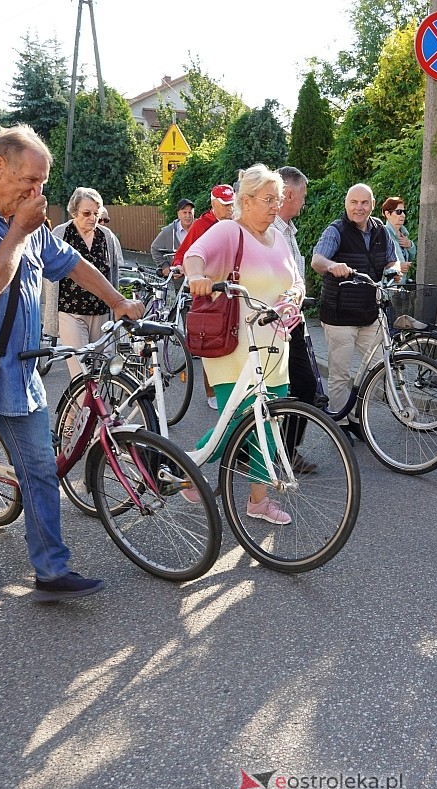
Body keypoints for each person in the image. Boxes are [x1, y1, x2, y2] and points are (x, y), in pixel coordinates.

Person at [0, 124, 143, 604]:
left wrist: (119, 301)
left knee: (41, 470)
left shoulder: (33, 225)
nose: (38, 193)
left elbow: (71, 263)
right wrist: (20, 229)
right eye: (31, 180)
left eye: (42, 183)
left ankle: (51, 569)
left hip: (19, 374)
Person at [183, 164, 304, 524]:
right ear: (246, 200)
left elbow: (297, 278)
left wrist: (296, 293)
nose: (274, 206)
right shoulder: (228, 231)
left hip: (274, 343)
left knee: (267, 422)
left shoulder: (279, 237)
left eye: (278, 199)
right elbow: (194, 255)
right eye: (268, 199)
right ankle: (193, 467)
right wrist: (197, 278)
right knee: (240, 422)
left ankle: (251, 498)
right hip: (234, 346)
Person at [311, 183, 401, 433]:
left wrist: (393, 271)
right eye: (354, 202)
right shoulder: (336, 230)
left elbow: (391, 260)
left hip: (370, 313)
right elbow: (317, 260)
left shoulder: (381, 231)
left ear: (373, 205)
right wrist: (332, 266)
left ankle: (356, 416)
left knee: (374, 369)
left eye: (364, 203)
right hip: (340, 315)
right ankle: (338, 424)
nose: (359, 208)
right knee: (340, 373)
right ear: (346, 204)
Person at [49, 187, 127, 378]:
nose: (92, 218)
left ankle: (82, 409)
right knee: (81, 376)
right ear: (74, 212)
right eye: (86, 213)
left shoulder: (106, 236)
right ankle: (80, 407)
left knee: (102, 375)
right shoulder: (62, 233)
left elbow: (115, 272)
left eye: (96, 213)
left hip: (101, 313)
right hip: (70, 313)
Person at [270, 166, 318, 473]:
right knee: (299, 387)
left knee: (302, 386)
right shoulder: (271, 230)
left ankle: (282, 450)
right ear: (288, 194)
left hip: (292, 322)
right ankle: (279, 452)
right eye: (301, 196)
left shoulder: (288, 231)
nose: (303, 202)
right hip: (273, 324)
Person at [176, 186, 235, 409]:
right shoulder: (201, 225)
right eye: (225, 204)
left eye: (232, 204)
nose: (230, 209)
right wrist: (191, 275)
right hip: (209, 292)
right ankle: (212, 391)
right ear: (214, 204)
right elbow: (184, 254)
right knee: (211, 341)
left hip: (233, 291)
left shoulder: (238, 224)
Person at [150, 199, 195, 274]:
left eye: (190, 212)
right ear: (178, 214)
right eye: (184, 212)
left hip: (198, 277)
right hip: (178, 279)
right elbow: (154, 248)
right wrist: (164, 265)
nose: (188, 216)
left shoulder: (200, 229)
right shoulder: (169, 231)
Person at [381, 196, 416, 272]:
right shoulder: (382, 234)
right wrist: (396, 266)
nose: (403, 215)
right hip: (389, 282)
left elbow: (411, 258)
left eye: (404, 212)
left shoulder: (404, 234)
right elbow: (377, 262)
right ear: (387, 214)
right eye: (398, 212)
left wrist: (410, 245)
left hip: (402, 282)